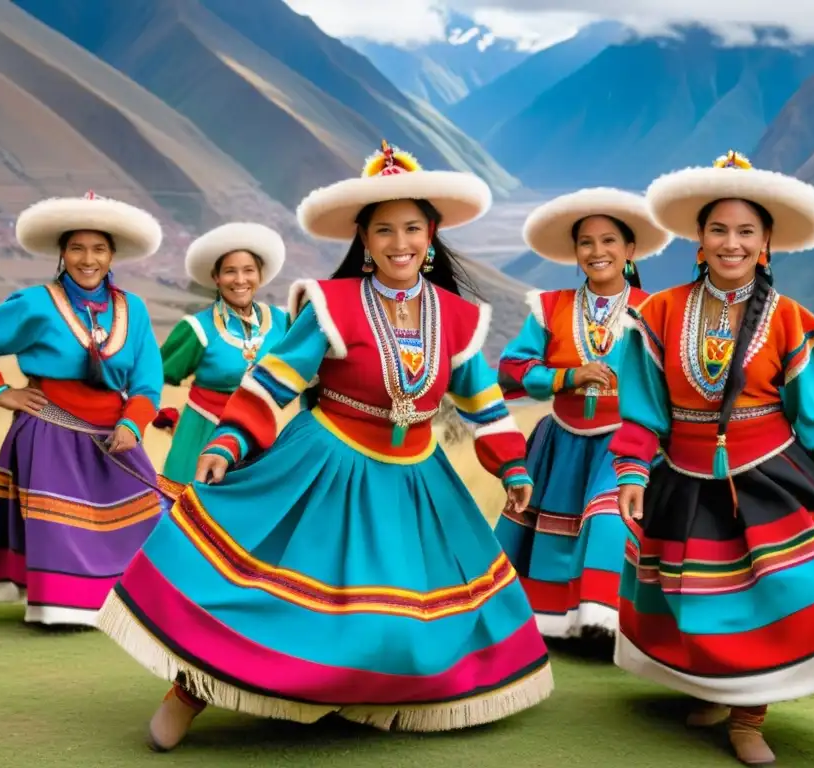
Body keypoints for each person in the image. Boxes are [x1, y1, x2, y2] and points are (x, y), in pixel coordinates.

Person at [95, 140, 554, 751]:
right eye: (384, 230)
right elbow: (274, 379)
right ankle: (189, 692)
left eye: (412, 228)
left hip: (416, 478)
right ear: (363, 239)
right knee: (265, 591)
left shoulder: (459, 318)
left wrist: (513, 468)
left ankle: (353, 696)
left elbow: (483, 404)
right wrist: (229, 441)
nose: (399, 243)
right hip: (326, 467)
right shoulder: (330, 305)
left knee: (399, 615)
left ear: (432, 233)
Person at [609, 151, 814, 765]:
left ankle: (749, 718)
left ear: (765, 244)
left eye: (745, 232)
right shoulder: (658, 313)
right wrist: (630, 473)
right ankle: (715, 690)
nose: (731, 243)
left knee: (788, 594)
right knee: (698, 600)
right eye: (718, 230)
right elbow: (644, 409)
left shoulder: (790, 322)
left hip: (772, 482)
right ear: (699, 241)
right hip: (684, 482)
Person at [0, 191, 167, 628]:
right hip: (49, 427)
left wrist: (134, 422)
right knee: (61, 524)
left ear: (112, 255)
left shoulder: (135, 309)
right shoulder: (35, 303)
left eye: (98, 249)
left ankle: (131, 602)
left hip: (114, 433)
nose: (87, 259)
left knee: (146, 513)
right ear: (62, 252)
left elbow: (148, 378)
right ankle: (61, 607)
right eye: (77, 248)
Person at [494, 188, 670, 643]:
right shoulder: (550, 307)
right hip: (563, 440)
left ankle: (605, 624)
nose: (597, 252)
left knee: (608, 519)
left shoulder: (656, 310)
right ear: (575, 252)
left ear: (630, 250)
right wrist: (565, 378)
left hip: (626, 441)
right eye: (586, 242)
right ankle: (557, 624)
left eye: (609, 240)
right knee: (553, 533)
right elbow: (513, 369)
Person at [153, 222, 290, 496]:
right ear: (216, 277)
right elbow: (152, 374)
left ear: (260, 276)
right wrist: (161, 413)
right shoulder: (197, 329)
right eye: (230, 271)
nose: (240, 280)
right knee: (189, 513)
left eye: (248, 270)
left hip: (258, 432)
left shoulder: (281, 322)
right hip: (202, 432)